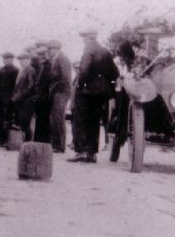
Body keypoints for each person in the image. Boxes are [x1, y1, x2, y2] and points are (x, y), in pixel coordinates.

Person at [69, 27, 120, 163]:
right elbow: (115, 73)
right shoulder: (106, 52)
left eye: (83, 38)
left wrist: (81, 85)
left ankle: (81, 153)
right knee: (94, 122)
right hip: (101, 94)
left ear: (87, 38)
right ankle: (91, 154)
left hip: (86, 93)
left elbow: (84, 71)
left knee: (80, 121)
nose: (83, 40)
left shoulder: (88, 50)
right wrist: (107, 85)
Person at [47, 40, 73, 153]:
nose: (49, 51)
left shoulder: (62, 60)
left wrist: (55, 89)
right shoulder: (58, 59)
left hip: (61, 92)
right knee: (55, 118)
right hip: (58, 92)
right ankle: (57, 144)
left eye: (50, 49)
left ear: (56, 49)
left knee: (58, 119)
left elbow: (65, 79)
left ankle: (59, 145)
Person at [11, 52, 36, 142]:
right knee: (21, 120)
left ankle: (27, 141)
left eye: (23, 59)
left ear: (28, 60)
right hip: (20, 100)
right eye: (20, 60)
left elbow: (30, 86)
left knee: (25, 121)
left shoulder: (30, 70)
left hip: (25, 100)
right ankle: (22, 141)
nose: (21, 61)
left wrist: (19, 96)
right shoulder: (21, 70)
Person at [0, 51, 19, 146]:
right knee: (1, 118)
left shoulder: (15, 70)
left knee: (8, 119)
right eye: (4, 59)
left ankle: (7, 140)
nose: (5, 60)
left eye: (7, 58)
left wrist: (12, 98)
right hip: (1, 98)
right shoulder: (2, 69)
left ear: (11, 59)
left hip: (9, 99)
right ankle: (1, 139)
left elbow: (15, 86)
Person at [32, 45, 53, 143]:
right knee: (41, 119)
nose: (40, 57)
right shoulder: (43, 66)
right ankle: (40, 139)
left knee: (43, 119)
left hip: (44, 96)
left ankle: (42, 140)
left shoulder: (47, 66)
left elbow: (45, 82)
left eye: (42, 55)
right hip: (42, 96)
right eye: (39, 55)